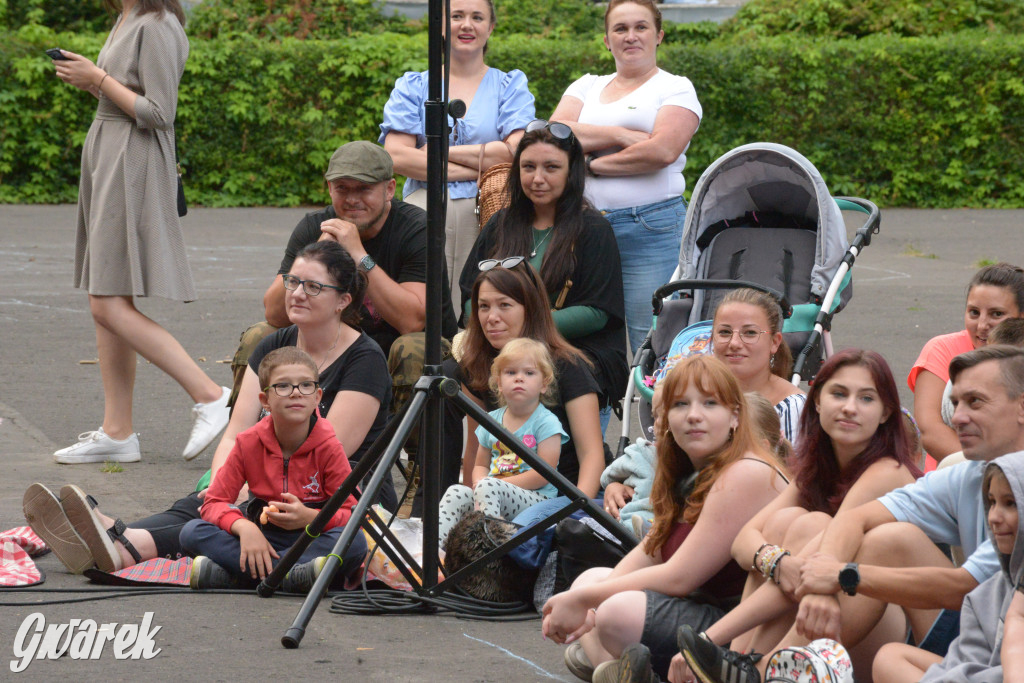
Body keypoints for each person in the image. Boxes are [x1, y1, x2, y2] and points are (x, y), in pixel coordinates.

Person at [24, 242, 393, 573]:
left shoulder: (364, 360)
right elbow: (237, 430)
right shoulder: (272, 346)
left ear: (343, 300)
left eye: (313, 287)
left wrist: (247, 489)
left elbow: (333, 448)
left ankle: (120, 540)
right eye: (292, 281)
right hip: (267, 472)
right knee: (204, 502)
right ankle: (115, 536)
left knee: (222, 516)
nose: (297, 293)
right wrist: (224, 482)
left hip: (328, 494)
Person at [751, 345, 1024, 681]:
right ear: (817, 402)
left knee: (885, 540)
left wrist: (842, 575)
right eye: (955, 403)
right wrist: (820, 586)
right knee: (889, 655)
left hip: (1004, 645)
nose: (958, 417)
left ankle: (762, 671)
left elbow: (964, 587)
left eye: (975, 402)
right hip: (980, 640)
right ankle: (748, 663)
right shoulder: (969, 473)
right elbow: (854, 518)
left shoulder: (889, 469)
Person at [668, 349, 922, 683]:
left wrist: (708, 639)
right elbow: (744, 541)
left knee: (815, 528)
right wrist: (776, 562)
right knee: (785, 524)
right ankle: (741, 664)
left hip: (890, 634)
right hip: (817, 620)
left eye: (866, 398)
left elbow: (821, 563)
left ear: (886, 412)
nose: (849, 408)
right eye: (839, 394)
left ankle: (748, 670)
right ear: (816, 402)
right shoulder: (817, 469)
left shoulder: (888, 470)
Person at [49, 0, 231, 464]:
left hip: (133, 159)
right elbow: (122, 95)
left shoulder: (159, 23)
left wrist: (97, 78)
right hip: (109, 151)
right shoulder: (128, 16)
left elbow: (158, 111)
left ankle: (210, 394)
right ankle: (118, 431)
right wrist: (91, 82)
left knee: (106, 300)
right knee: (107, 297)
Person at [541, 355, 787, 682]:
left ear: (734, 417)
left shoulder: (746, 471)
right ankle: (620, 672)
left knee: (612, 612)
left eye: (710, 403)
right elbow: (650, 553)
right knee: (593, 581)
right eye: (681, 404)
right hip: (702, 609)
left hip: (745, 629)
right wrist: (586, 601)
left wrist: (586, 603)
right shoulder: (685, 473)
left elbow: (679, 577)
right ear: (665, 418)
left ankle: (617, 667)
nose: (694, 416)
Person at [231, 141, 458, 411]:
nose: (352, 199)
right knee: (259, 335)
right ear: (329, 189)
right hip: (329, 346)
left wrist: (359, 255)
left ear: (389, 189)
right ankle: (249, 441)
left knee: (413, 348)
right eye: (342, 189)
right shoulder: (315, 226)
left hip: (395, 348)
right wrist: (318, 251)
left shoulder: (416, 228)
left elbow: (410, 321)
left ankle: (418, 453)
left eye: (363, 189)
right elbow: (275, 314)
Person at [550, 0, 702, 352]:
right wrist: (620, 136)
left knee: (653, 343)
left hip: (651, 229)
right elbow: (553, 136)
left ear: (659, 35)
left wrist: (588, 165)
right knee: (585, 342)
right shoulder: (586, 86)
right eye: (620, 29)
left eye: (641, 27)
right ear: (606, 40)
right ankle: (598, 410)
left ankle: (657, 408)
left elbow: (662, 152)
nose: (630, 36)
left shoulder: (676, 88)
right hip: (582, 226)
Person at [459, 120, 628, 431]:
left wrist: (525, 325)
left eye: (551, 167)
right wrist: (498, 322)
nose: (537, 178)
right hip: (500, 348)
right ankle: (445, 475)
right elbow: (470, 296)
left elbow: (598, 312)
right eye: (528, 167)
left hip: (573, 352)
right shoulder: (501, 224)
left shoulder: (593, 230)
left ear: (571, 172)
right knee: (449, 377)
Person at [380, 0, 535, 312]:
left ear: (490, 27)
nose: (467, 25)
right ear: (440, 25)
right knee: (423, 304)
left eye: (477, 17)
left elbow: (515, 154)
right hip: (422, 207)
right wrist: (483, 161)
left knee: (478, 302)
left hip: (489, 208)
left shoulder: (509, 85)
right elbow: (395, 156)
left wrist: (436, 151)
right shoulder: (414, 85)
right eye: (457, 16)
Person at [179, 347, 367, 591]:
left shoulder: (329, 446)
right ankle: (293, 576)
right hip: (261, 537)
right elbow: (213, 502)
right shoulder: (248, 443)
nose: (296, 393)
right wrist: (244, 528)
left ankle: (242, 576)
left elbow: (352, 513)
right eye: (283, 386)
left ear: (317, 397)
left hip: (311, 538)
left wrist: (311, 518)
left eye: (306, 385)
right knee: (192, 532)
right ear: (265, 400)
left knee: (355, 544)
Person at [443, 262, 607, 510]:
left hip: (559, 497)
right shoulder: (478, 365)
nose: (491, 317)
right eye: (484, 307)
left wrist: (577, 511)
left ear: (530, 309)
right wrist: (468, 503)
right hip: (497, 493)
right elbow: (477, 450)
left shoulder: (568, 365)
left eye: (504, 305)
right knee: (456, 496)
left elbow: (592, 454)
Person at [871, 452, 1024, 683]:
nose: (994, 516)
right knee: (889, 657)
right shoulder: (983, 597)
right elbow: (965, 666)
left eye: (1010, 503)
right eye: (991, 502)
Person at [437, 339, 568, 545]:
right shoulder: (492, 420)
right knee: (456, 492)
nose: (519, 379)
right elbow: (481, 464)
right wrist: (480, 482)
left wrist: (495, 484)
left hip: (536, 498)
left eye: (529, 373)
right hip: (492, 493)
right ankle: (437, 554)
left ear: (544, 384)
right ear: (498, 383)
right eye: (510, 373)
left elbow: (545, 473)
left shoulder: (547, 422)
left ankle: (486, 549)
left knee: (488, 487)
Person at [909, 263, 1024, 463]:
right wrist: (994, 473)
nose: (982, 325)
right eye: (974, 312)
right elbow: (930, 430)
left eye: (997, 314)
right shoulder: (941, 349)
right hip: (956, 478)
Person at [711, 288, 806, 447]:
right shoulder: (697, 396)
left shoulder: (792, 409)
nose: (734, 343)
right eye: (725, 332)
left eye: (749, 333)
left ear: (774, 342)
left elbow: (790, 471)